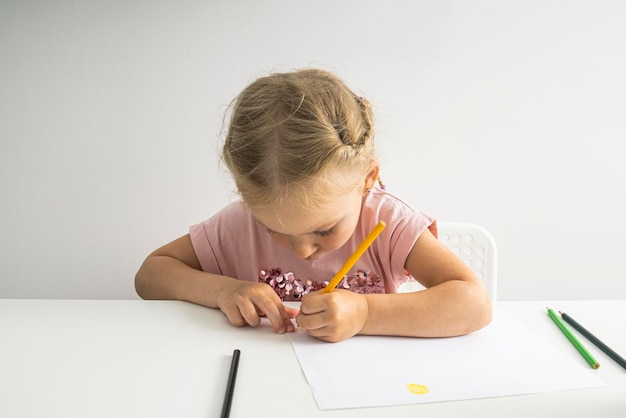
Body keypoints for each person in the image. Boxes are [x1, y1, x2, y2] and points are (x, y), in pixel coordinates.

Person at [135, 68, 492, 343]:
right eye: (273, 229)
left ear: (367, 179)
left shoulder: (389, 222)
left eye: (324, 229)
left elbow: (474, 304)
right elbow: (151, 275)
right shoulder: (239, 223)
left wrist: (365, 313)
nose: (304, 250)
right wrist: (221, 290)